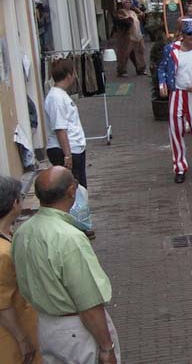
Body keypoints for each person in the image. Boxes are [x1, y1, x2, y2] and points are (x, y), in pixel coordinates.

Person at [12, 167, 120, 364]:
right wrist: (106, 346)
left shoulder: (22, 232)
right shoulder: (69, 238)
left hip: (46, 326)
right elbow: (88, 302)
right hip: (76, 331)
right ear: (71, 191)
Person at [157, 18, 192, 183]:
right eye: (189, 33)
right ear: (182, 35)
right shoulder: (171, 49)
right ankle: (180, 167)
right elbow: (162, 68)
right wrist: (162, 83)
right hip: (177, 94)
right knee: (176, 130)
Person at [0, 176, 39, 364]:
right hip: (11, 338)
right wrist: (22, 339)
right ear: (14, 203)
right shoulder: (2, 252)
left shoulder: (8, 236)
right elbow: (2, 304)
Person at [44, 58, 88, 188]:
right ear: (69, 75)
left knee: (80, 187)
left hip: (75, 147)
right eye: (74, 73)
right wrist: (67, 155)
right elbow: (60, 128)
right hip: (67, 150)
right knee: (73, 188)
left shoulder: (61, 95)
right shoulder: (56, 98)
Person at [113, 0, 146, 77]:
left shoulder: (133, 12)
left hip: (137, 35)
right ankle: (122, 70)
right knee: (124, 54)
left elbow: (138, 19)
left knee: (139, 52)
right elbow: (120, 20)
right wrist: (127, 20)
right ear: (123, 3)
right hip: (127, 36)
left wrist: (141, 15)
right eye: (126, 2)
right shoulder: (121, 12)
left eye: (129, 2)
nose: (128, 3)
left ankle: (141, 69)